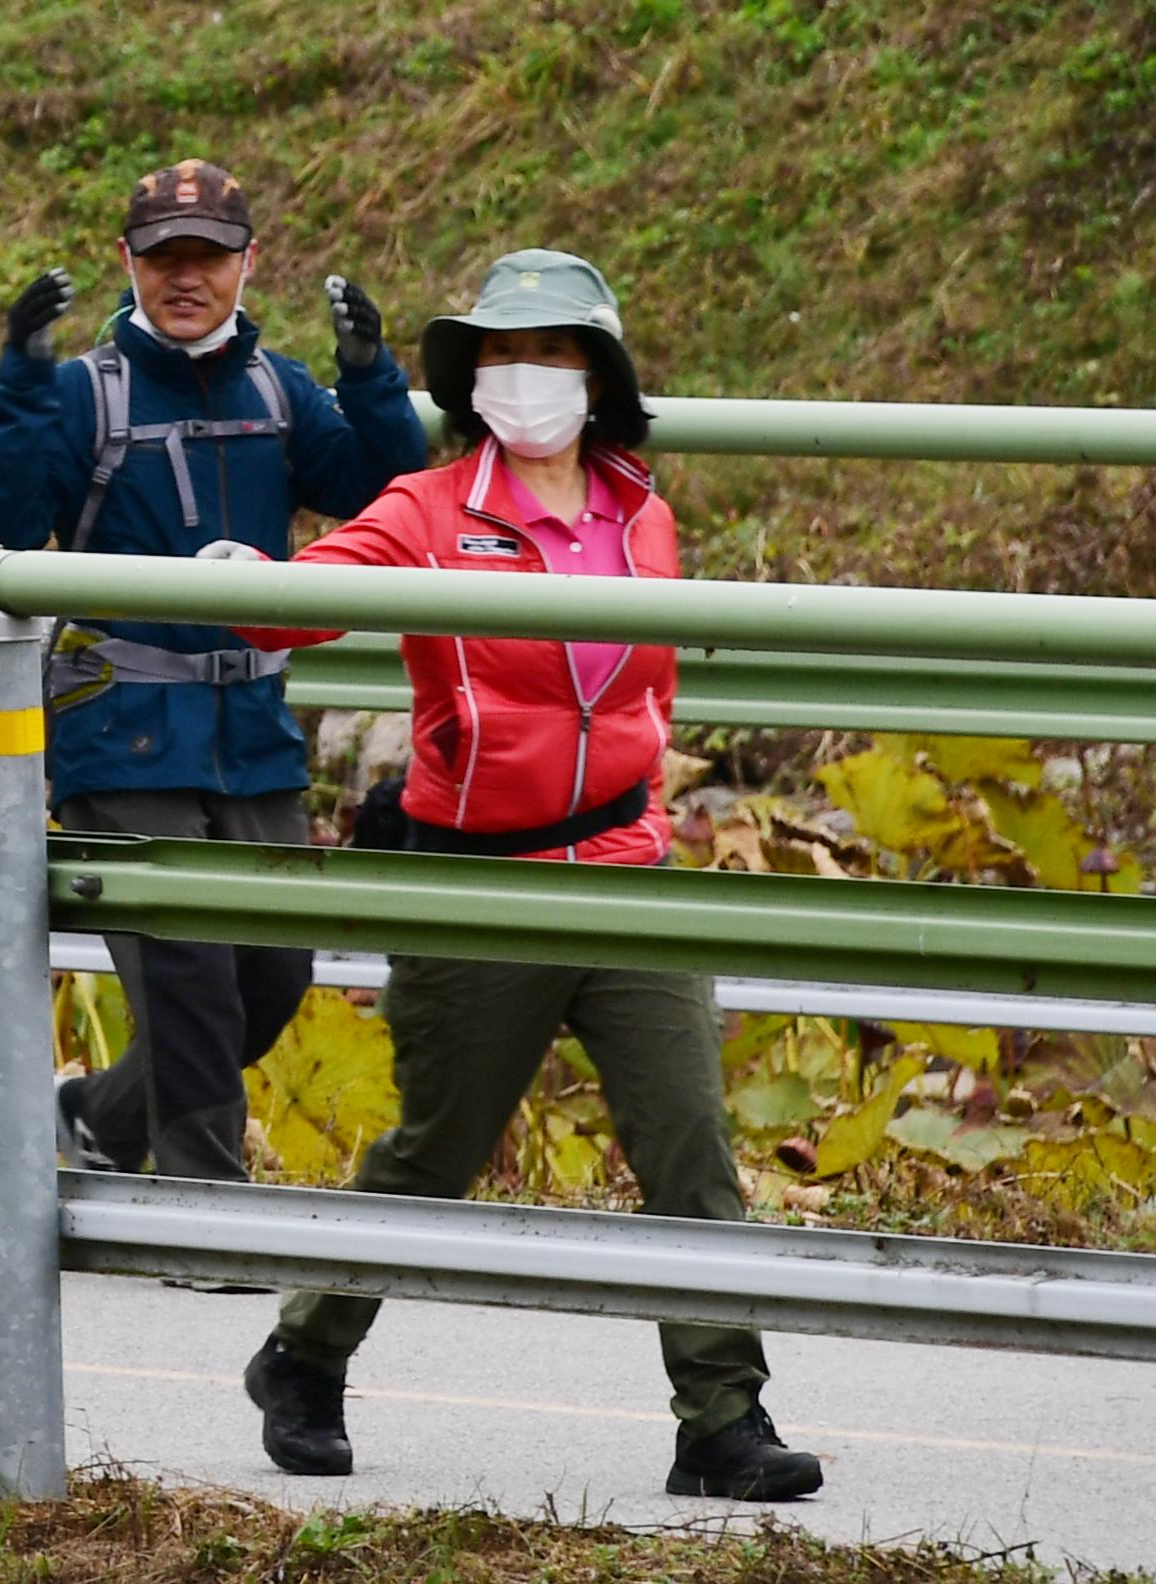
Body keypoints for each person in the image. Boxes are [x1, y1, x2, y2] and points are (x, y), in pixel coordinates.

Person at [221, 248, 824, 1503]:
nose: (529, 373)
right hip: (480, 877)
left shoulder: (642, 512)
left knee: (690, 1141)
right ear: (472, 377)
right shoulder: (433, 507)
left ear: (599, 376)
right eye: (504, 352)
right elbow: (307, 599)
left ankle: (722, 1418)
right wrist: (240, 585)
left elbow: (640, 692)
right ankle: (303, 1355)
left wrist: (644, 808)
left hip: (626, 864)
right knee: (437, 1151)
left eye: (555, 351)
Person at [0, 161, 422, 1191]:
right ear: (129, 263)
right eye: (164, 256)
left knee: (272, 978)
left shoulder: (278, 389)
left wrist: (370, 374)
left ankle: (97, 1116)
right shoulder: (85, 392)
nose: (186, 276)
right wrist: (23, 378)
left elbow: (384, 494)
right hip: (120, 729)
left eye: (207, 254)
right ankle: (204, 1203)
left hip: (252, 730)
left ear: (247, 263)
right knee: (189, 983)